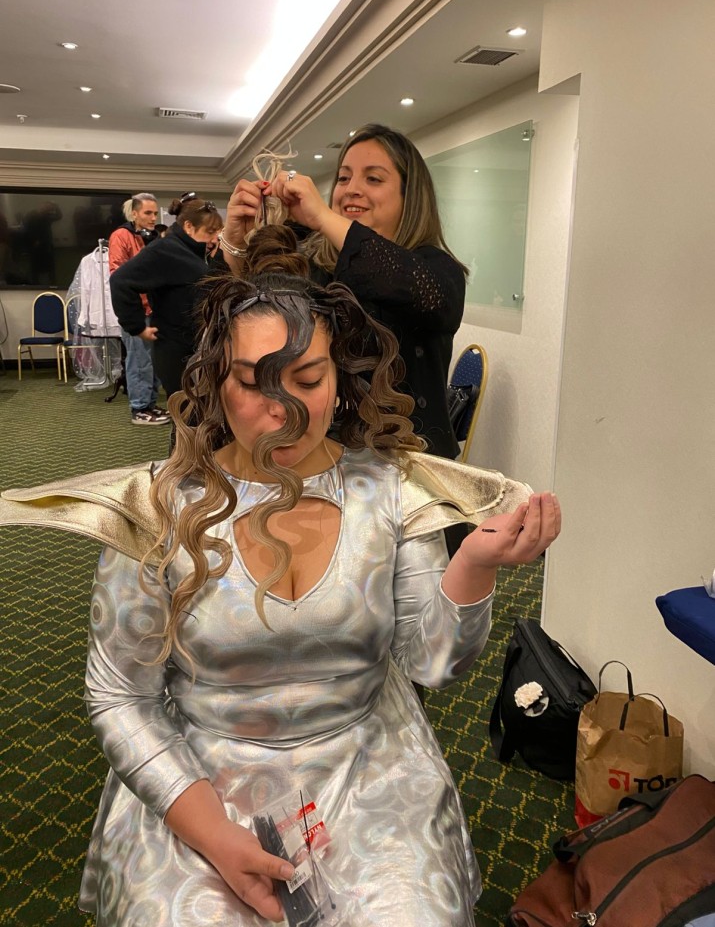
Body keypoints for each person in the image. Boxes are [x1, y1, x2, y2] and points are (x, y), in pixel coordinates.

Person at [0, 224, 560, 926]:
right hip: (204, 777)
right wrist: (213, 833)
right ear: (214, 380)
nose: (285, 411)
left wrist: (473, 563)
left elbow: (433, 663)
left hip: (367, 765)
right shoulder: (157, 508)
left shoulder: (390, 489)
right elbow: (120, 694)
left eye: (307, 380)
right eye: (253, 382)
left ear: (338, 376)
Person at [220, 124, 467, 460]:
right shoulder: (316, 266)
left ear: (409, 195)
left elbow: (423, 294)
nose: (352, 190)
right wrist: (236, 244)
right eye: (344, 178)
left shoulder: (435, 270)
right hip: (324, 453)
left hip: (410, 455)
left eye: (373, 179)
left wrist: (322, 217)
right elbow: (251, 318)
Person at [110, 194, 222, 402]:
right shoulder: (166, 249)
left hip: (193, 347)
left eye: (217, 232)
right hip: (176, 350)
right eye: (210, 231)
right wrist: (136, 327)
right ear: (189, 226)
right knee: (187, 411)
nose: (215, 238)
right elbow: (120, 280)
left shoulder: (190, 250)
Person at [108, 192, 169, 426]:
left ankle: (150, 404)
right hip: (135, 311)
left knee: (152, 361)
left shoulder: (153, 238)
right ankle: (140, 408)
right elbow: (118, 275)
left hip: (154, 309)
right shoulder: (121, 236)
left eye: (155, 213)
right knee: (139, 361)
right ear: (134, 213)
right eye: (148, 213)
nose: (153, 218)